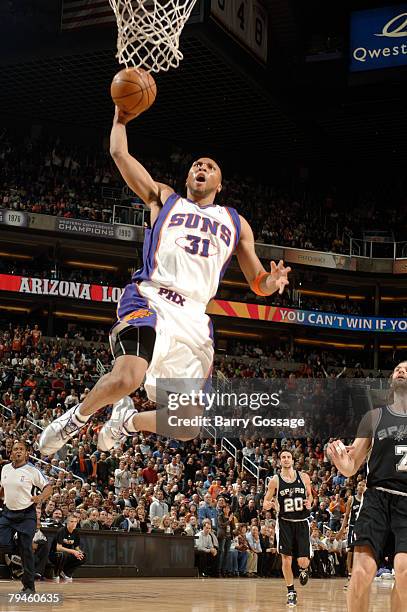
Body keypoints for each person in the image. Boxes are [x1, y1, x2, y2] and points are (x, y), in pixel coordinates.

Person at [38, 106, 291, 457]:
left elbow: (257, 282)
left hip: (194, 319)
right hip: (151, 297)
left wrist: (272, 281)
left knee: (187, 425)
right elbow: (119, 153)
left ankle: (127, 422)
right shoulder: (164, 198)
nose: (201, 168)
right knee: (128, 377)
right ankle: (74, 420)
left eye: (210, 167)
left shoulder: (236, 222)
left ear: (220, 183)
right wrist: (120, 119)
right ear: (188, 177)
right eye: (196, 165)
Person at [327, 361, 407, 612]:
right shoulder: (374, 417)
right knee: (361, 574)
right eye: (397, 369)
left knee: (405, 576)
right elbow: (352, 466)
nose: (402, 371)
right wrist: (341, 462)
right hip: (376, 499)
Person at [0, 440, 52, 594]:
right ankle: (18, 553)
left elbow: (48, 487)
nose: (18, 451)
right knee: (3, 544)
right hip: (8, 513)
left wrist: (40, 497)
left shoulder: (32, 470)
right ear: (11, 453)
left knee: (27, 550)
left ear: (26, 453)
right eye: (15, 449)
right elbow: (3, 489)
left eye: (21, 449)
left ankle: (29, 586)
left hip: (26, 514)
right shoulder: (5, 468)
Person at [263, 449, 312, 608]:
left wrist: (309, 502)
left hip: (302, 521)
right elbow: (265, 501)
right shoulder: (275, 481)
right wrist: (268, 505)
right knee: (286, 558)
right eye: (283, 457)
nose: (285, 459)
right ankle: (291, 591)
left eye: (288, 457)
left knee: (303, 561)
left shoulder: (304, 477)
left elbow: (310, 496)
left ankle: (304, 570)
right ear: (279, 461)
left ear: (292, 460)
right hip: (284, 522)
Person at [338, 480, 366, 589]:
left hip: (363, 529)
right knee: (350, 552)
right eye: (359, 485)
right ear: (357, 487)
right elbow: (346, 516)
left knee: (362, 553)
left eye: (363, 485)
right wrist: (341, 530)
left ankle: (360, 578)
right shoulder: (351, 499)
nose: (361, 487)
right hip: (353, 528)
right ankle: (349, 578)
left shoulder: (368, 500)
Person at [49, 514, 85, 582]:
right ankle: (56, 574)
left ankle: (66, 572)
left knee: (83, 556)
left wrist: (79, 552)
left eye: (75, 522)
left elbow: (76, 547)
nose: (74, 523)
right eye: (71, 521)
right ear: (67, 522)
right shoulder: (62, 531)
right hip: (54, 555)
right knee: (63, 554)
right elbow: (58, 548)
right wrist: (73, 551)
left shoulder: (76, 532)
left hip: (67, 554)